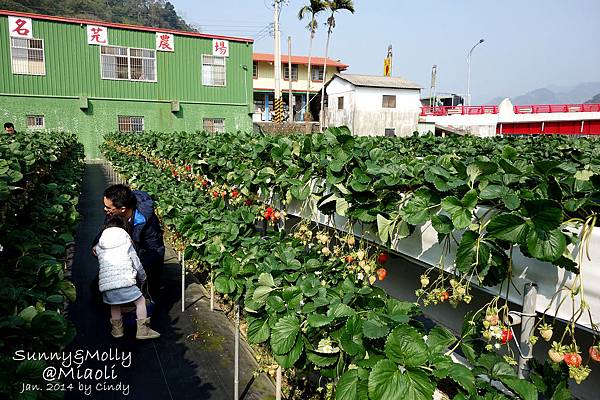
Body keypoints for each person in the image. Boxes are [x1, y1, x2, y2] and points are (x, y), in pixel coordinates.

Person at [93, 215, 160, 339]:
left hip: (106, 285)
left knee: (114, 305)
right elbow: (136, 262)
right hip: (125, 281)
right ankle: (143, 330)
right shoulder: (126, 241)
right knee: (140, 301)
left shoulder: (99, 245)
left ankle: (117, 330)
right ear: (124, 228)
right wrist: (143, 276)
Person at [93, 184, 165, 296]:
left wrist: (134, 270)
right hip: (124, 257)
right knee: (99, 289)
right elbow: (106, 231)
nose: (105, 209)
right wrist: (97, 243)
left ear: (122, 209)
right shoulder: (113, 214)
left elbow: (155, 251)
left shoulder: (146, 221)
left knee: (139, 293)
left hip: (141, 259)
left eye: (108, 207)